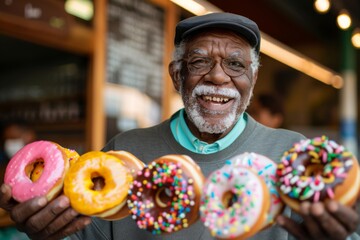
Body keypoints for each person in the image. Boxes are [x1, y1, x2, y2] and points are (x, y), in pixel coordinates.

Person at [0, 12, 358, 240]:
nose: (218, 76)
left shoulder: (292, 156)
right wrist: (45, 234)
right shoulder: (122, 153)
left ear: (252, 79)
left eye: (236, 65)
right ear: (177, 76)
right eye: (200, 61)